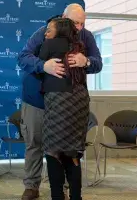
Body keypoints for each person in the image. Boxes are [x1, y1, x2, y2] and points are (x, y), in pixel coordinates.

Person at [17, 3, 102, 200]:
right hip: (36, 99)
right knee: (35, 143)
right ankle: (31, 185)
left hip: (67, 102)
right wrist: (43, 65)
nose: (78, 27)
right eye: (75, 22)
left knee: (64, 148)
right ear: (63, 18)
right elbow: (23, 57)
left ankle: (62, 189)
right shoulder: (45, 32)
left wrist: (86, 61)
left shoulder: (86, 36)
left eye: (82, 23)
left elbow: (98, 63)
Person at [39, 18, 88, 200]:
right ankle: (76, 197)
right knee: (73, 152)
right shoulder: (80, 45)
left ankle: (57, 196)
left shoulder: (49, 44)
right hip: (80, 102)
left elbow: (37, 67)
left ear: (59, 30)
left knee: (53, 152)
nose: (46, 33)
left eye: (49, 29)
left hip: (58, 101)